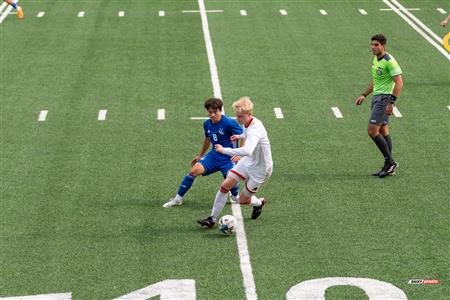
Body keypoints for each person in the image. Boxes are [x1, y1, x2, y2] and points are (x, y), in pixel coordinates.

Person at [197, 97, 273, 228]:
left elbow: (248, 150)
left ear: (249, 114)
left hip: (260, 169)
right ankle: (212, 219)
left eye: (240, 116)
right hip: (249, 161)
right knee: (225, 185)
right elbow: (246, 133)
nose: (237, 119)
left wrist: (224, 150)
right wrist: (241, 136)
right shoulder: (248, 122)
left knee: (242, 201)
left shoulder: (255, 129)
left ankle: (259, 203)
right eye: (236, 115)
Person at [163, 98, 243, 208]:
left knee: (230, 178)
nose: (213, 115)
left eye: (216, 112)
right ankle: (178, 198)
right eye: (210, 112)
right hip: (214, 156)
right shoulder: (207, 124)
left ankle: (235, 196)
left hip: (229, 158)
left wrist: (239, 153)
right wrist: (200, 155)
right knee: (193, 171)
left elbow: (244, 136)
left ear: (220, 110)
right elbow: (207, 140)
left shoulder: (229, 122)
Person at [355, 34, 403, 178]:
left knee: (372, 131)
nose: (373, 47)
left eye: (376, 45)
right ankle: (389, 165)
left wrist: (391, 102)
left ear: (383, 46)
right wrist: (364, 94)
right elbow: (376, 80)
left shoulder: (389, 62)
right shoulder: (376, 59)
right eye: (372, 44)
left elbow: (399, 83)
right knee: (383, 131)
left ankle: (391, 162)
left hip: (384, 99)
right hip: (377, 97)